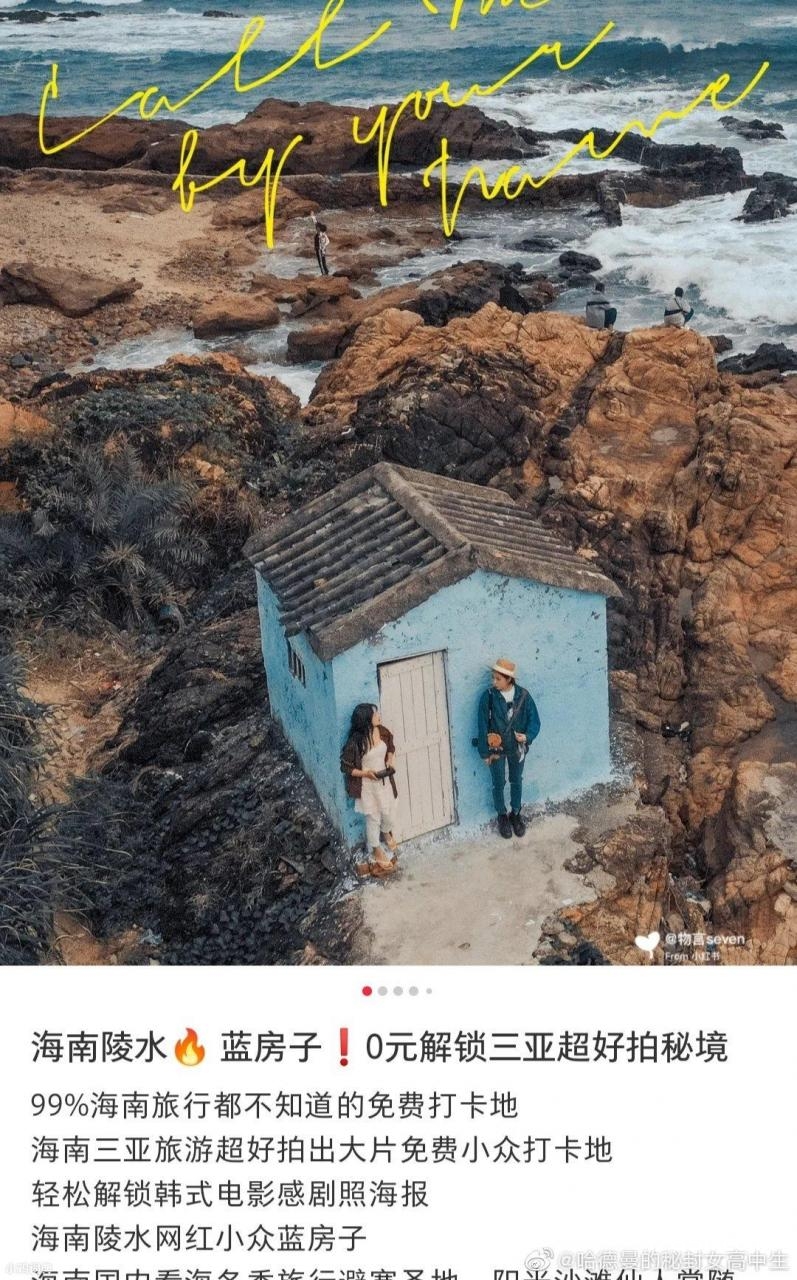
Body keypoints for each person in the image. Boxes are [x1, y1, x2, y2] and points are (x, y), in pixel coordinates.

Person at [477, 658, 541, 839]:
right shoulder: (488, 696)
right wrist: (485, 752)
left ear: (509, 679)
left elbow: (535, 721)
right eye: (493, 677)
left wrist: (526, 736)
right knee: (498, 782)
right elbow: (482, 725)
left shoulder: (524, 696)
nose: (494, 682)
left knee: (516, 780)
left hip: (516, 748)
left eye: (498, 679)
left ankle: (516, 813)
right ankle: (502, 815)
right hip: (496, 749)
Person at [340, 703, 399, 878]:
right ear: (366, 719)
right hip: (368, 786)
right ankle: (376, 849)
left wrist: (390, 759)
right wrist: (366, 773)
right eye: (375, 714)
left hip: (384, 781)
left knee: (390, 812)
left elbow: (391, 745)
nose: (378, 715)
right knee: (373, 818)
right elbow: (346, 767)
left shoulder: (382, 731)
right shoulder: (356, 742)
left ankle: (386, 831)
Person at [311, 212, 330, 276]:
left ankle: (324, 274)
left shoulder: (322, 235)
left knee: (321, 262)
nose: (316, 228)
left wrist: (323, 246)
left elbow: (328, 241)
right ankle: (326, 272)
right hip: (320, 249)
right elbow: (315, 223)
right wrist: (313, 216)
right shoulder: (320, 233)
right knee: (322, 261)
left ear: (319, 228)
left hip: (320, 250)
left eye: (317, 228)